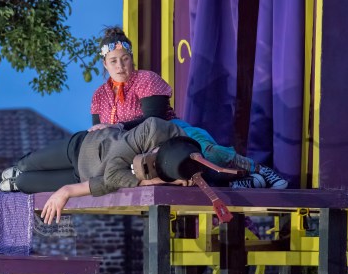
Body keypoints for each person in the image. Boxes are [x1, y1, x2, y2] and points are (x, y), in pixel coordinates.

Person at [89, 26, 288, 190]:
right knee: (186, 175)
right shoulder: (99, 96)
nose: (120, 65)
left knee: (206, 154)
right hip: (136, 151)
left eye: (124, 58)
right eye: (113, 61)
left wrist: (117, 126)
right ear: (105, 64)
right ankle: (244, 182)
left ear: (131, 57)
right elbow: (100, 136)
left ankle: (260, 170)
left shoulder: (146, 79)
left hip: (169, 131)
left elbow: (153, 119)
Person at [0, 117, 220, 225]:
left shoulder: (178, 171)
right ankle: (17, 169)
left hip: (85, 176)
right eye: (154, 157)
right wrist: (147, 181)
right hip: (84, 147)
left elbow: (110, 181)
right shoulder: (153, 128)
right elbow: (114, 175)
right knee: (25, 165)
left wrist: (67, 190)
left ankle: (17, 181)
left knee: (24, 183)